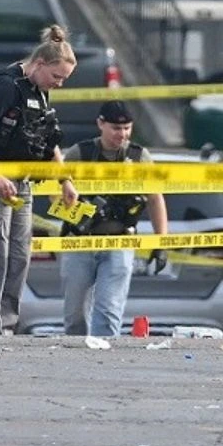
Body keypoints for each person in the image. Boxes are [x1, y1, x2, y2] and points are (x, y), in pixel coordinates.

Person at [0, 24, 79, 335]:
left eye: (64, 79)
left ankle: (7, 326)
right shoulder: (5, 85)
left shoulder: (39, 91)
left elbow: (47, 139)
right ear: (39, 63)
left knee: (19, 255)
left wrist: (64, 180)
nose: (59, 84)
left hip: (21, 182)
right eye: (56, 76)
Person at [58, 100, 169, 337]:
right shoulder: (81, 153)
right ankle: (74, 357)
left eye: (127, 128)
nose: (122, 134)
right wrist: (81, 212)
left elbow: (155, 199)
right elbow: (54, 192)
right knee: (75, 314)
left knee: (109, 310)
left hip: (119, 241)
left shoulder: (138, 157)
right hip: (80, 241)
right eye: (116, 128)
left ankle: (104, 355)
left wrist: (161, 243)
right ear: (100, 124)